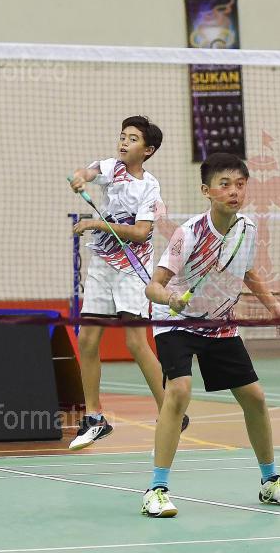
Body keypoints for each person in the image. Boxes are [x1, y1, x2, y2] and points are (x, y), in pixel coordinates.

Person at [141, 152, 280, 517]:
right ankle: (156, 489)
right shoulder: (188, 233)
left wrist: (276, 309)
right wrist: (170, 298)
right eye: (225, 184)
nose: (234, 191)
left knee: (255, 398)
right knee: (179, 391)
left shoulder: (247, 228)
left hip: (219, 323)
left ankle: (270, 481)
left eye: (240, 185)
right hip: (177, 322)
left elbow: (248, 273)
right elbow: (154, 286)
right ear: (207, 191)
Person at [68, 115, 188, 450]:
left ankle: (172, 411)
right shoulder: (112, 168)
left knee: (136, 343)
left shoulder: (150, 188)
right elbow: (86, 172)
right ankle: (94, 418)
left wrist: (97, 224)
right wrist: (78, 179)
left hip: (132, 269)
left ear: (148, 150)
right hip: (103, 266)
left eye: (133, 139)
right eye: (123, 136)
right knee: (87, 338)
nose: (124, 142)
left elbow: (140, 232)